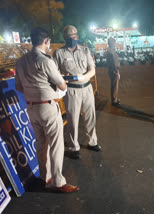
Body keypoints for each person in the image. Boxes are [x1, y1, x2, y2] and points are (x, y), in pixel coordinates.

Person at [15, 27, 78, 193]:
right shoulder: (46, 61)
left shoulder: (21, 61)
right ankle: (58, 182)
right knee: (56, 145)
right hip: (47, 107)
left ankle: (45, 177)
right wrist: (58, 90)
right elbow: (62, 84)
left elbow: (18, 86)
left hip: (31, 107)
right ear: (46, 41)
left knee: (41, 144)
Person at [53, 25, 101, 160]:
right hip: (71, 90)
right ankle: (74, 147)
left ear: (77, 36)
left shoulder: (85, 51)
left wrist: (84, 77)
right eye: (68, 37)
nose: (71, 39)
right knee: (72, 120)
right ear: (64, 38)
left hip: (86, 88)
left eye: (73, 37)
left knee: (90, 117)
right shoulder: (59, 53)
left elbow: (92, 69)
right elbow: (55, 72)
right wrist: (62, 78)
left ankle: (93, 142)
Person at [106, 37, 121, 106]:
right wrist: (117, 72)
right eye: (114, 42)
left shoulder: (110, 51)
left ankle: (114, 99)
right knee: (115, 86)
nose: (115, 44)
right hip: (114, 71)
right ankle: (114, 101)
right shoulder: (111, 52)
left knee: (114, 85)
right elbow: (114, 63)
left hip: (112, 70)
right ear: (112, 43)